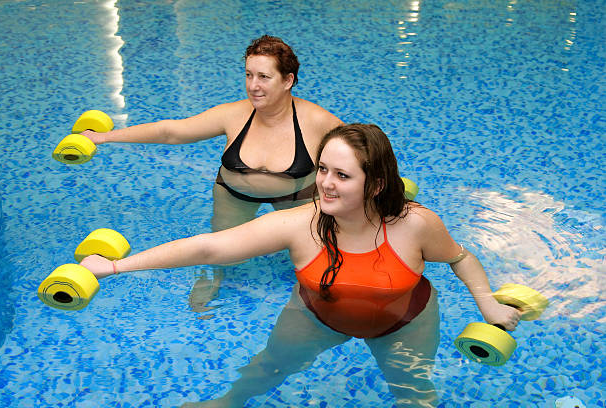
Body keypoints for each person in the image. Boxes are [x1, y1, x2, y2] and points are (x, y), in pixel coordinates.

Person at [80, 124, 521, 407]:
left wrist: (488, 305)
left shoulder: (416, 224)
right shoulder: (298, 224)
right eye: (323, 169)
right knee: (268, 367)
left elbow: (461, 257)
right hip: (316, 314)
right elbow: (210, 248)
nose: (325, 184)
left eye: (342, 176)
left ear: (377, 184)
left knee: (414, 395)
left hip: (404, 321)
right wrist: (117, 268)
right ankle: (228, 402)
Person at [82, 35, 342, 314]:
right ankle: (216, 279)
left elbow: (362, 152)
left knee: (317, 256)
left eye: (264, 77)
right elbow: (171, 132)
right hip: (235, 195)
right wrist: (105, 137)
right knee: (224, 254)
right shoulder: (233, 115)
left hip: (298, 196)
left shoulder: (317, 121)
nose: (253, 86)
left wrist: (387, 185)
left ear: (287, 80)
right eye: (248, 75)